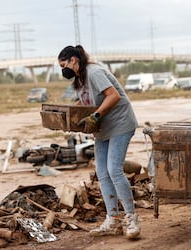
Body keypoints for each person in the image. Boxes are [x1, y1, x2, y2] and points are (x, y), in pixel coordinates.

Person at [58, 45, 141, 239]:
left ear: (73, 60)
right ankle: (113, 220)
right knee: (102, 173)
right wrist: (69, 114)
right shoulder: (79, 80)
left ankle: (131, 218)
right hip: (103, 128)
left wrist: (95, 115)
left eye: (64, 65)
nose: (63, 70)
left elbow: (114, 96)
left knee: (114, 170)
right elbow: (87, 103)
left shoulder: (94, 72)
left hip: (120, 123)